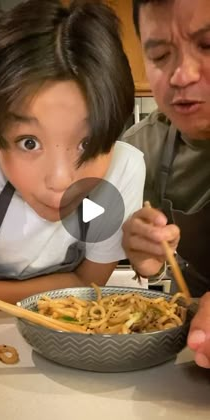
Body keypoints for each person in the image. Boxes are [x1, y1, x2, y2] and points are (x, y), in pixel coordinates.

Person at [0, 0, 145, 312]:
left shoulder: (124, 168)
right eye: (29, 143)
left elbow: (91, 283)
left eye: (87, 143)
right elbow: (81, 283)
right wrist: (68, 287)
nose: (61, 180)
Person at [122, 0, 210, 368]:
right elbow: (87, 212)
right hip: (181, 353)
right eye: (160, 55)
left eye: (208, 46)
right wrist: (137, 247)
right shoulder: (141, 147)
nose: (182, 75)